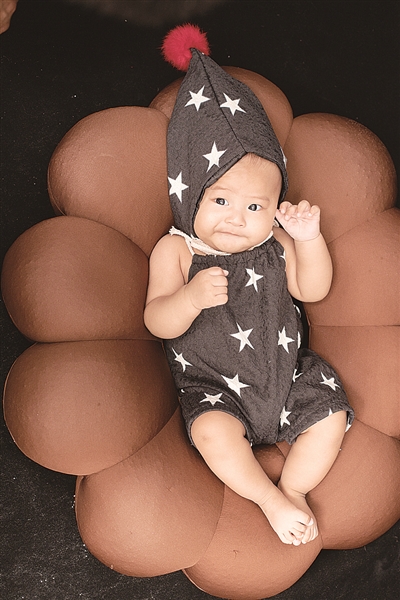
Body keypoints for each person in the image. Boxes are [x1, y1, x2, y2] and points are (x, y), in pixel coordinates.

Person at [145, 25, 354, 547]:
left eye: (255, 205)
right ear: (190, 196)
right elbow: (157, 320)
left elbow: (312, 290)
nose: (238, 218)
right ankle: (267, 498)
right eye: (221, 200)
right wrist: (188, 298)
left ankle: (294, 489)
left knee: (331, 414)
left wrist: (308, 241)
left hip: (288, 379)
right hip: (216, 392)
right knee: (212, 434)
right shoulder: (177, 251)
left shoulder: (275, 241)